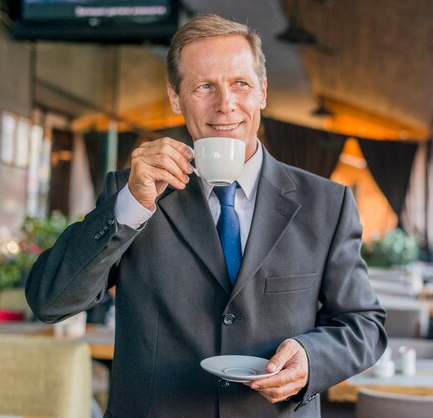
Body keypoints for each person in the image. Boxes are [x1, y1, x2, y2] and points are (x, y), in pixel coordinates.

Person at [26, 14, 386, 418]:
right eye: (204, 87)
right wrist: (131, 205)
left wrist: (311, 356)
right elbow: (49, 301)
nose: (225, 104)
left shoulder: (327, 203)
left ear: (262, 92)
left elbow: (363, 325)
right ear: (176, 98)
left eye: (241, 84)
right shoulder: (132, 192)